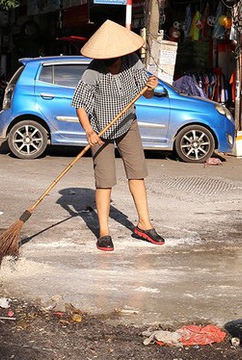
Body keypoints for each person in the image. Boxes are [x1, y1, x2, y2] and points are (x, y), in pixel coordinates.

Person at [70, 20, 164, 252]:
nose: (115, 64)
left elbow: (148, 94)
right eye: (110, 62)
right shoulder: (93, 71)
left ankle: (144, 225)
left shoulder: (132, 61)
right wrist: (89, 132)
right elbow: (80, 104)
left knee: (137, 174)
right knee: (104, 181)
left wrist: (151, 86)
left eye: (117, 59)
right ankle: (104, 232)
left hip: (127, 124)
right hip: (100, 130)